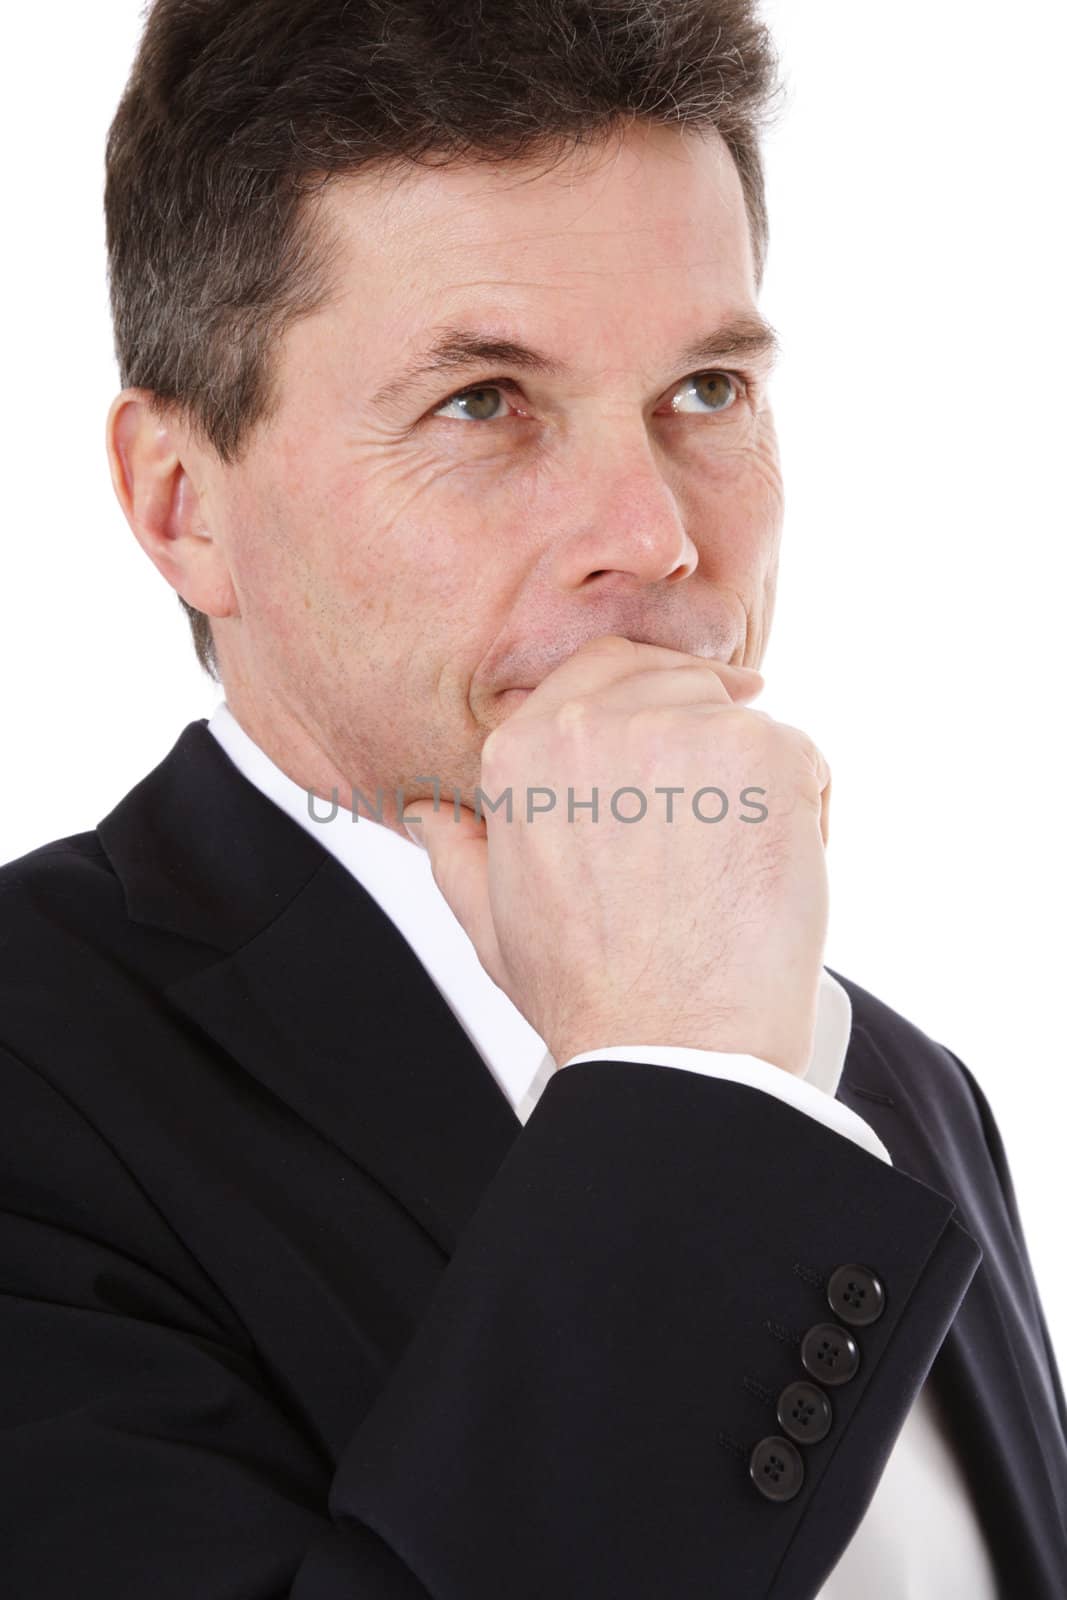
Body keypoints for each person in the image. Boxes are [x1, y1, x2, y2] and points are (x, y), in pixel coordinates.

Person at [1, 0, 1064, 1594]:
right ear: (179, 503)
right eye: (482, 402)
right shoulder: (31, 1075)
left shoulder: (904, 1085)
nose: (652, 538)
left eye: (707, 388)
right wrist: (688, 1094)